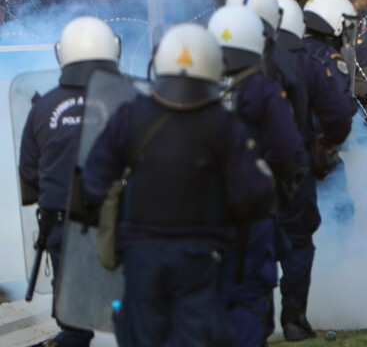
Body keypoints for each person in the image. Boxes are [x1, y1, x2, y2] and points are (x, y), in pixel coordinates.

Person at [81, 23, 277, 346]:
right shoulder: (223, 125)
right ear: (214, 67)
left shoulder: (131, 116)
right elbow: (254, 194)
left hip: (140, 254)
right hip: (200, 257)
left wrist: (113, 219)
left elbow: (93, 180)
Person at [18, 16, 121, 347]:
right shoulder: (129, 101)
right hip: (121, 223)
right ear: (112, 50)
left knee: (75, 321)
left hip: (64, 227)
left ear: (62, 54)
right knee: (133, 311)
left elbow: (30, 175)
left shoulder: (41, 108)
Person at [208, 5, 305, 347]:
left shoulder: (195, 88)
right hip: (252, 208)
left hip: (202, 210)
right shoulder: (262, 89)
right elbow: (286, 148)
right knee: (251, 292)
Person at [275, 0, 353, 341]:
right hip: (303, 159)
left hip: (249, 163)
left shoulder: (250, 59)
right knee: (314, 230)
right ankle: (300, 312)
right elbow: (335, 112)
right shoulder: (320, 61)